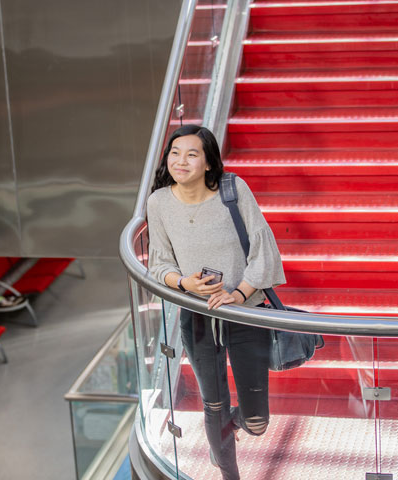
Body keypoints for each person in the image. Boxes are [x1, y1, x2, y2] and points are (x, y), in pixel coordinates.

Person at [147, 124, 286, 480]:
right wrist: (183, 282)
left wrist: (238, 293)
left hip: (245, 311)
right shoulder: (159, 202)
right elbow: (159, 262)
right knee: (213, 403)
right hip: (196, 315)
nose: (181, 161)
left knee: (257, 422)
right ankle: (227, 468)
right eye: (175, 153)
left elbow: (263, 248)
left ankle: (230, 427)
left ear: (209, 162)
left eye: (192, 154)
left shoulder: (233, 189)